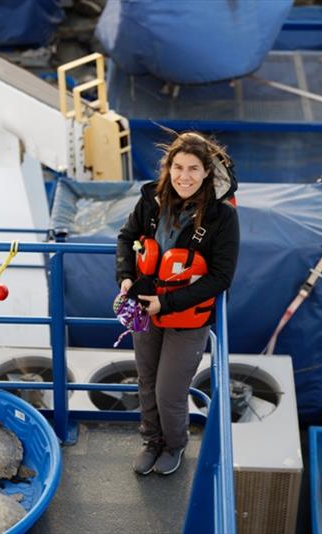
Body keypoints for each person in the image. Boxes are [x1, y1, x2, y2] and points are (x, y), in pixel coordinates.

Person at [116, 131, 240, 475]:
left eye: (194, 169)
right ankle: (152, 441)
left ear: (206, 174)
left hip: (187, 319)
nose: (184, 176)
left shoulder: (222, 218)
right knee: (145, 382)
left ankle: (174, 445)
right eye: (178, 167)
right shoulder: (151, 201)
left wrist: (165, 305)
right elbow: (126, 239)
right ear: (168, 168)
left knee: (169, 390)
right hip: (145, 310)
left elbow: (220, 278)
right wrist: (126, 277)